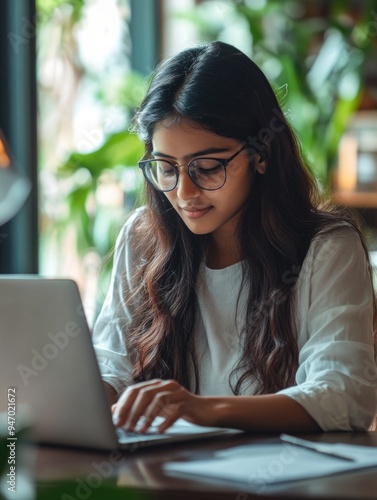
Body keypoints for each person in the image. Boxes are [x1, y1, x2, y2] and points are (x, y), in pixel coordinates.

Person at [92, 40, 377, 435]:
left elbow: (346, 395)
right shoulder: (144, 237)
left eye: (207, 167)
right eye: (166, 167)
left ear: (261, 153)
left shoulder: (325, 249)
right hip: (165, 475)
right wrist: (79, 401)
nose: (184, 192)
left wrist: (205, 410)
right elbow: (111, 364)